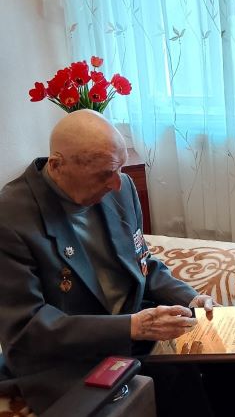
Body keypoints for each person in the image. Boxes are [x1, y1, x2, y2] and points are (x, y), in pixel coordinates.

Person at [0, 109, 215, 416]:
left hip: (132, 328)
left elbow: (143, 263)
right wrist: (132, 326)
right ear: (57, 165)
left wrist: (190, 297)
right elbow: (27, 330)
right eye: (104, 174)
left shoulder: (121, 188)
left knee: (216, 364)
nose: (117, 184)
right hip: (68, 356)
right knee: (164, 387)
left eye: (119, 169)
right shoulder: (10, 219)